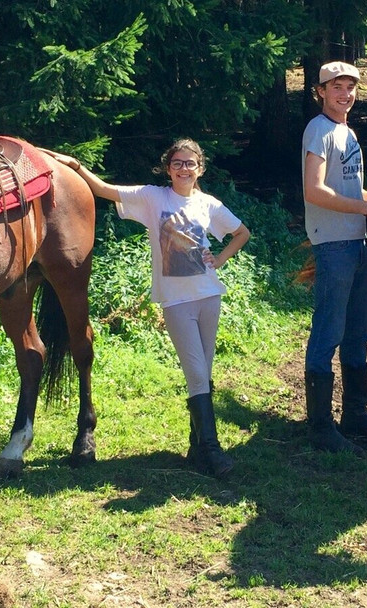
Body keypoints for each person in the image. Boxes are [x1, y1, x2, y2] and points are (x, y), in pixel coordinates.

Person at [81, 139, 250, 478]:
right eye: (177, 163)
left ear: (200, 168)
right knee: (197, 372)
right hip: (176, 301)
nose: (184, 168)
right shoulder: (153, 197)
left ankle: (197, 446)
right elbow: (103, 189)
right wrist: (74, 166)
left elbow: (241, 233)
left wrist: (218, 259)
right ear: (167, 167)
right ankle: (212, 451)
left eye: (190, 163)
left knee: (204, 372)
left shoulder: (209, 204)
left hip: (208, 295)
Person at [302, 61, 367, 453]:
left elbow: (351, 191)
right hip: (333, 244)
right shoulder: (319, 130)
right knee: (329, 331)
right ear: (320, 91)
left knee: (359, 331)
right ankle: (320, 425)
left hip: (356, 243)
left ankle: (355, 413)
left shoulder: (347, 131)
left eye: (350, 87)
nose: (345, 93)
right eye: (336, 87)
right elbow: (315, 191)